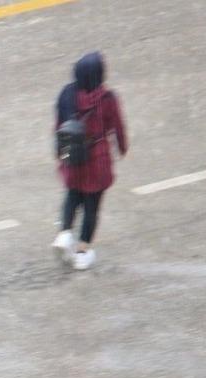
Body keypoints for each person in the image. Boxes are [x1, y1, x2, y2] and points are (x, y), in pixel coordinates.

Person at [51, 52, 128, 270]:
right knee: (91, 207)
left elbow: (58, 125)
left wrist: (61, 153)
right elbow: (118, 127)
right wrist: (122, 147)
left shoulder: (67, 94)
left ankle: (65, 233)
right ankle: (82, 252)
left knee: (72, 195)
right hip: (97, 160)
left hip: (73, 156)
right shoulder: (107, 99)